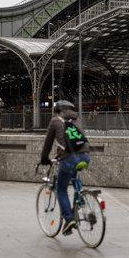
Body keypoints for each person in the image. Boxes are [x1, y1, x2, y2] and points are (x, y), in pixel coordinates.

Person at [40, 100, 91, 236]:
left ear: (57, 111)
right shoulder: (77, 119)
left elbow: (48, 143)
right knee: (74, 174)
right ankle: (81, 198)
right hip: (86, 155)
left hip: (69, 158)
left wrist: (44, 158)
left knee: (61, 189)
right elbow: (71, 141)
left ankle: (68, 219)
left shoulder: (55, 121)